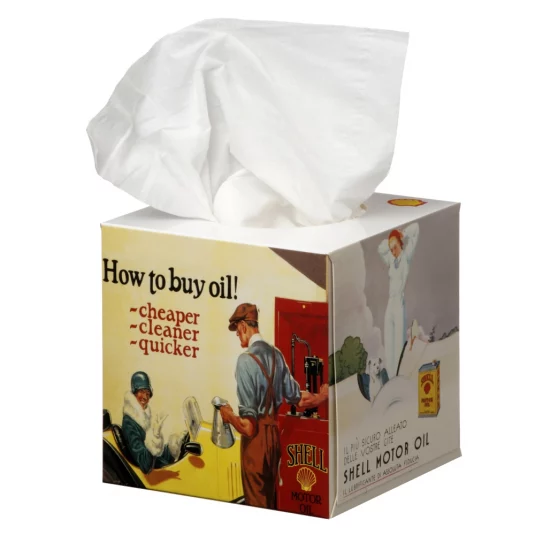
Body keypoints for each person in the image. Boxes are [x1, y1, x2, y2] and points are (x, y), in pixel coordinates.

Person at [219, 303, 328, 510]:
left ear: (243, 326)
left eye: (237, 331)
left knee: (256, 505)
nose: (237, 335)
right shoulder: (277, 355)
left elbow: (248, 427)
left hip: (255, 444)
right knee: (271, 503)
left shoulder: (244, 361)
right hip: (274, 441)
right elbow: (300, 400)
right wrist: (322, 396)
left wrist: (228, 414)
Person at [122, 371, 188, 474]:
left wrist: (174, 446)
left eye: (148, 394)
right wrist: (155, 436)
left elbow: (156, 456)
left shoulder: (142, 420)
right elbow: (145, 464)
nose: (145, 397)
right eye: (142, 392)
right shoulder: (129, 424)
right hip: (148, 478)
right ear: (134, 392)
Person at [378, 222, 420, 379]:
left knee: (398, 343)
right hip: (390, 303)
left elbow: (416, 229)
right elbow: (380, 249)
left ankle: (398, 377)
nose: (393, 251)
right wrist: (391, 239)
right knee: (388, 342)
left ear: (401, 244)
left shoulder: (406, 256)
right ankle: (390, 378)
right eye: (391, 249)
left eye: (395, 247)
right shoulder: (390, 258)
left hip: (399, 303)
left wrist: (403, 234)